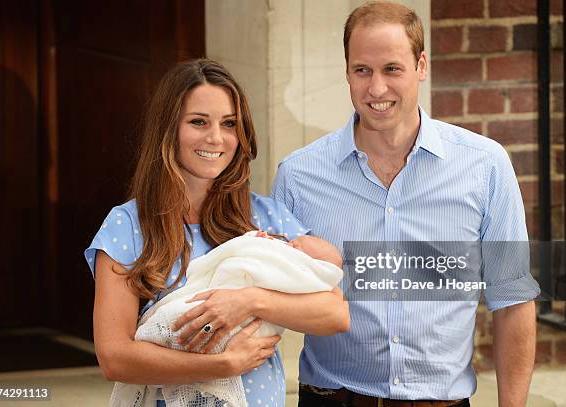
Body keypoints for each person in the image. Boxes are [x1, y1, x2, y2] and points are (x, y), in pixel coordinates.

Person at [271, 2, 540, 406]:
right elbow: (270, 304)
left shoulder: (485, 166)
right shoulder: (298, 176)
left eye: (392, 69)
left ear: (421, 66)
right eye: (362, 70)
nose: (376, 88)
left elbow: (513, 301)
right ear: (347, 72)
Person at [84, 58, 349, 407]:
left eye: (229, 124)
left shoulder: (265, 216)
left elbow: (335, 314)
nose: (216, 138)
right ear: (169, 129)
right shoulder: (128, 225)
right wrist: (223, 364)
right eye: (198, 122)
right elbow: (114, 357)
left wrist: (249, 301)